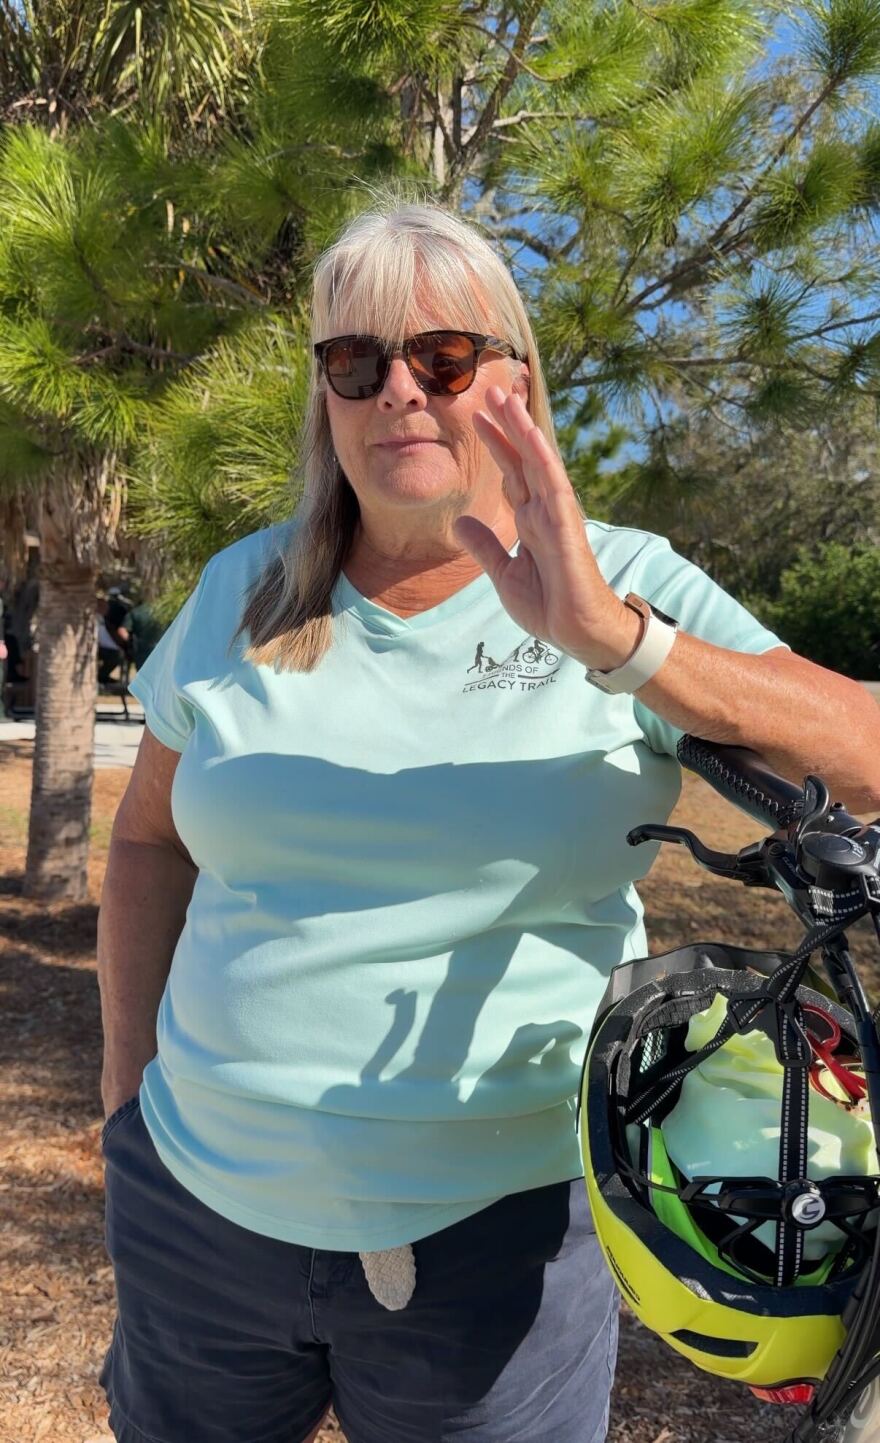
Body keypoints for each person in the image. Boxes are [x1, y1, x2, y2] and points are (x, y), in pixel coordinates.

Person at [96, 198, 880, 1443]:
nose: (398, 389)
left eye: (441, 356)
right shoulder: (241, 591)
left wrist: (614, 643)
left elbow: (867, 753)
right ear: (325, 399)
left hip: (498, 1247)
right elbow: (147, 842)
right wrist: (125, 1090)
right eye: (355, 361)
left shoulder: (623, 576)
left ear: (509, 380)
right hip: (197, 1215)